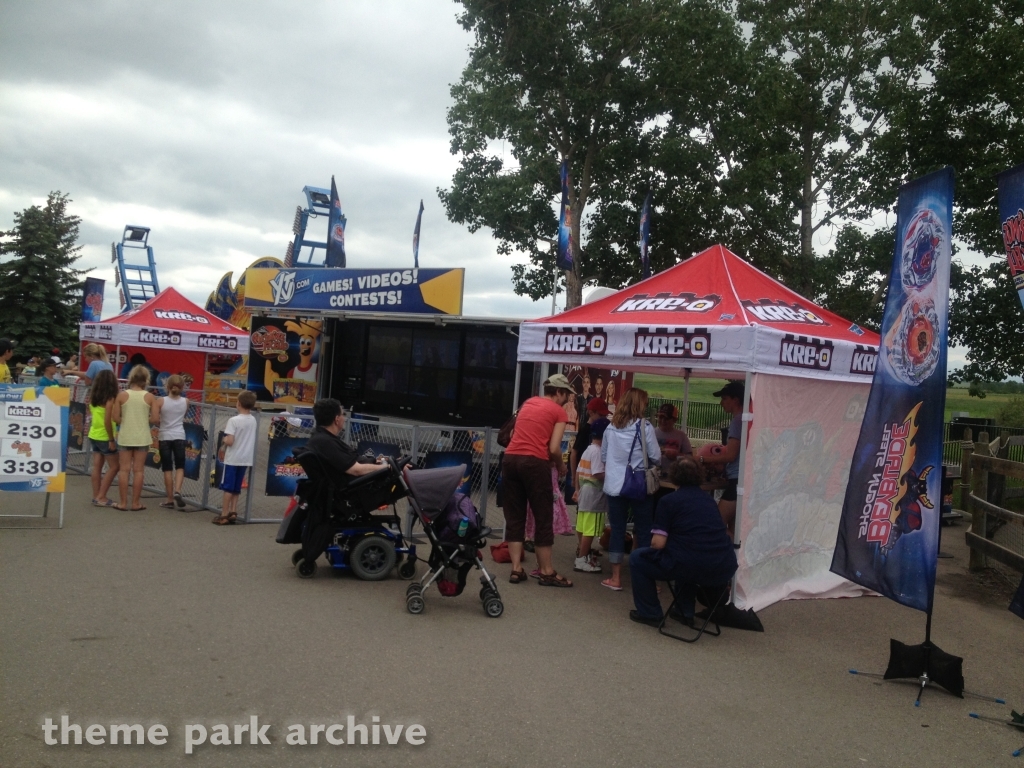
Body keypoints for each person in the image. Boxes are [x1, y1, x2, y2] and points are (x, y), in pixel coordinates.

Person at [627, 456, 738, 626]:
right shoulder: (709, 501)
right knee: (686, 555)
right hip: (721, 565)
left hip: (688, 564)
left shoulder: (669, 501)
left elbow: (658, 543)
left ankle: (650, 613)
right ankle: (684, 611)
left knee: (637, 558)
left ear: (674, 476)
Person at [502, 373, 574, 587]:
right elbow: (553, 448)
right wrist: (561, 465)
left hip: (511, 459)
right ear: (559, 392)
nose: (568, 398)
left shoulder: (528, 402)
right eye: (566, 394)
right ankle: (546, 571)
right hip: (535, 464)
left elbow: (514, 432)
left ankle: (516, 569)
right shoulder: (559, 412)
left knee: (515, 516)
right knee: (543, 517)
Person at [600, 387, 660, 591]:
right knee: (644, 530)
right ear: (639, 404)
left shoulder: (610, 428)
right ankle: (642, 577)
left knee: (617, 529)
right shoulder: (645, 426)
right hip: (638, 484)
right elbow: (656, 456)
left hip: (614, 484)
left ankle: (616, 578)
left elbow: (604, 457)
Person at [303, 398, 388, 482]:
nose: (344, 418)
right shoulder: (325, 442)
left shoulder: (320, 438)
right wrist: (385, 467)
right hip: (355, 489)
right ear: (337, 419)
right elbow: (357, 470)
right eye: (343, 414)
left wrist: (377, 461)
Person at [701, 381, 745, 533]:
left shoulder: (737, 421)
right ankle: (732, 556)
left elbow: (731, 455)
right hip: (739, 478)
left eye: (725, 398)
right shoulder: (743, 420)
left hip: (736, 481)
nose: (721, 403)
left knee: (716, 524)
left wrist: (702, 459)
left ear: (736, 400)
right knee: (733, 528)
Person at [112, 365, 157, 511]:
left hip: (125, 435)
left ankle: (123, 502)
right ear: (146, 379)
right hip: (142, 436)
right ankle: (136, 503)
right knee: (139, 470)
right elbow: (155, 418)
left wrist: (126, 420)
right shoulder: (150, 397)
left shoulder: (122, 395)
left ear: (131, 378)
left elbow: (115, 418)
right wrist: (144, 419)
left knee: (124, 470)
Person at [213, 390, 258, 525]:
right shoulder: (253, 420)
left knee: (228, 487)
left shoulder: (233, 421)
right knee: (236, 487)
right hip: (245, 457)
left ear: (238, 403)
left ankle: (224, 513)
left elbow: (230, 441)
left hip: (233, 458)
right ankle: (233, 511)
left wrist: (224, 439)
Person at [572, 417, 609, 573]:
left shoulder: (588, 449)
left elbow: (579, 471)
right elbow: (598, 473)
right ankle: (581, 558)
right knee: (591, 529)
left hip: (584, 492)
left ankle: (583, 554)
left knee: (582, 526)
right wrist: (613, 474)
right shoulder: (599, 452)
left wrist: (577, 489)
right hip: (595, 495)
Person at [153, 374, 189, 510]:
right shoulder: (186, 401)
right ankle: (178, 491)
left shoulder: (161, 401)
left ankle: (169, 499)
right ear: (182, 387)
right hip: (179, 435)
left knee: (167, 467)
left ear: (167, 386)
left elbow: (156, 419)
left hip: (164, 436)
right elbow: (183, 416)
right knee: (180, 465)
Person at [87, 369, 120, 507]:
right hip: (105, 435)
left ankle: (96, 495)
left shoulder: (93, 397)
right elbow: (108, 420)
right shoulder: (110, 398)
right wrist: (111, 439)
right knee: (114, 466)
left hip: (93, 433)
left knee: (97, 467)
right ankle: (102, 496)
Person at [654, 403, 693, 472]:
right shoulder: (651, 433)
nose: (663, 421)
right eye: (660, 417)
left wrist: (676, 456)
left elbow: (690, 458)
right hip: (654, 474)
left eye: (666, 418)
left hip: (674, 475)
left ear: (675, 420)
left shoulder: (681, 435)